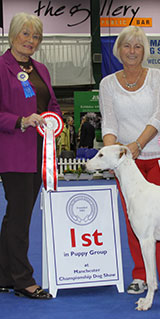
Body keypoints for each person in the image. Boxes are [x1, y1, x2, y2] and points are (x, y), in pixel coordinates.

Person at [99, 25, 160, 296]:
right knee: (134, 219)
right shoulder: (107, 84)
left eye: (137, 46)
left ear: (144, 51)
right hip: (126, 163)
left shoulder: (159, 77)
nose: (132, 51)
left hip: (158, 154)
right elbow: (109, 124)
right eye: (127, 46)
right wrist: (114, 154)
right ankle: (141, 275)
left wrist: (138, 144)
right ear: (118, 50)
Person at [0, 13, 62, 299]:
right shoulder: (1, 67)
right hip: (13, 151)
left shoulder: (41, 69)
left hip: (39, 150)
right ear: (13, 35)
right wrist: (21, 121)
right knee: (20, 216)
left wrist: (54, 121)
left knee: (14, 216)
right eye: (25, 34)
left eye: (36, 36)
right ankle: (24, 280)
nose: (31, 41)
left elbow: (52, 104)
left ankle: (4, 274)